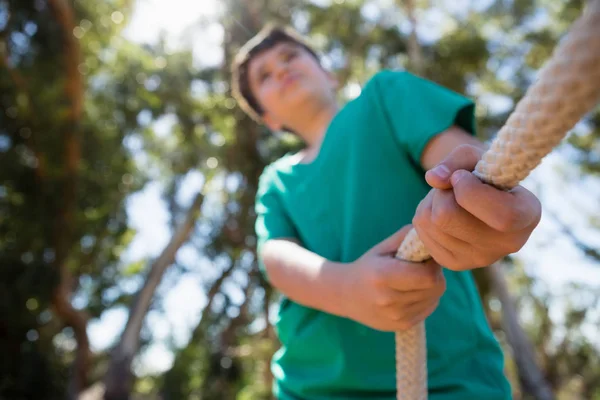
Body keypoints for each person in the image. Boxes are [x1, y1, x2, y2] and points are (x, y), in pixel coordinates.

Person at [230, 24, 541, 400]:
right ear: (270, 120)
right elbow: (276, 256)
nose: (280, 70)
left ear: (329, 74)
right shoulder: (277, 179)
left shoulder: (385, 97)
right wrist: (346, 289)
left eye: (290, 56)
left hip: (448, 379)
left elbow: (462, 161)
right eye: (264, 76)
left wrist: (486, 193)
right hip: (313, 386)